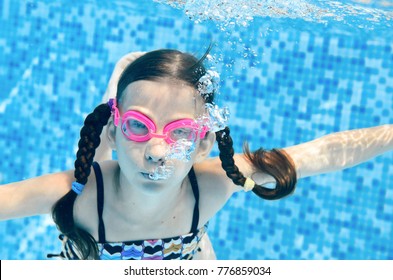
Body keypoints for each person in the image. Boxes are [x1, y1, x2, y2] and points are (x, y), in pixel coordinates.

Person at [0, 48, 392, 260]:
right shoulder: (78, 193)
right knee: (91, 162)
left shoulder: (214, 184)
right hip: (96, 210)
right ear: (118, 129)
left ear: (204, 143)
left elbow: (320, 155)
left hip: (190, 253)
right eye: (139, 124)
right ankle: (115, 99)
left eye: (181, 132)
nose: (157, 151)